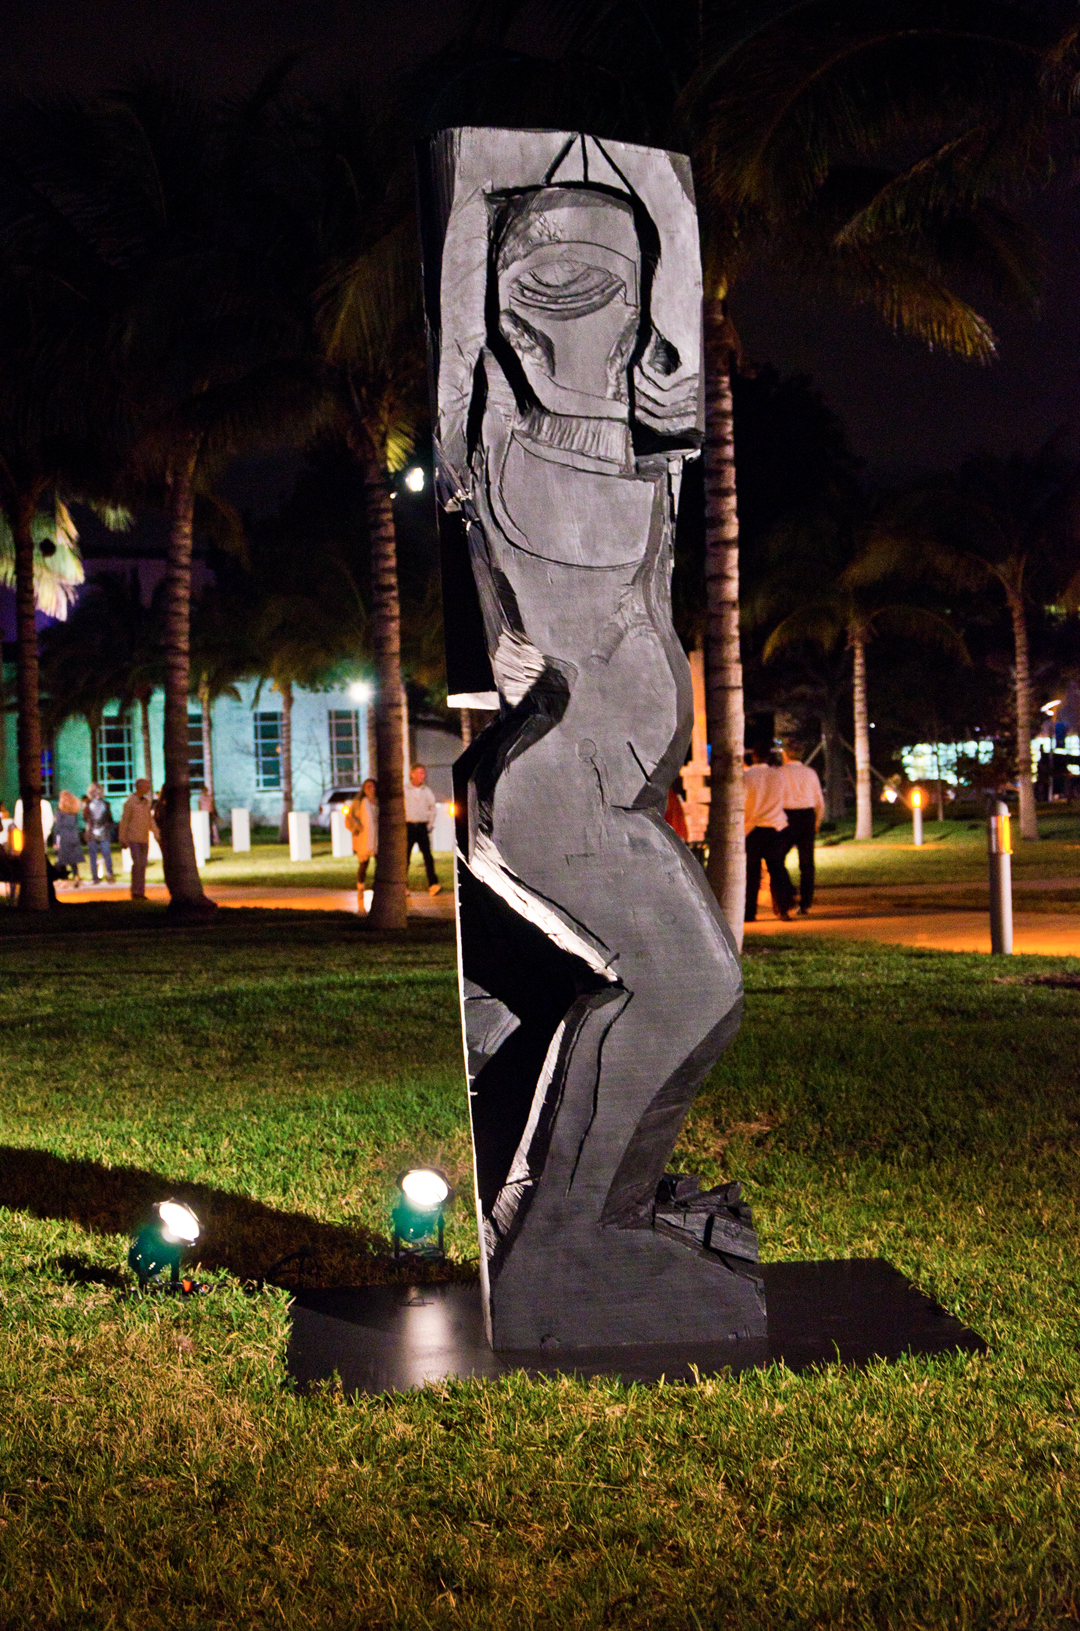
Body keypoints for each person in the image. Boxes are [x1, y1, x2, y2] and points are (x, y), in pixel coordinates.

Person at [744, 744, 794, 922]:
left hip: (752, 828)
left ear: (754, 756)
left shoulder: (746, 776)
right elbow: (787, 799)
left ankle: (749, 912)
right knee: (777, 869)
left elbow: (743, 802)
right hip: (775, 826)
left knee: (751, 872)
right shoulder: (779, 775)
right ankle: (782, 909)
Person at [777, 737, 825, 916]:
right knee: (807, 863)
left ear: (785, 754)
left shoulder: (780, 773)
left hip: (787, 817)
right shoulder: (810, 773)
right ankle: (805, 902)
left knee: (778, 858)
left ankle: (788, 891)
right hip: (807, 816)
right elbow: (819, 800)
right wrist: (817, 820)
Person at [119, 778, 159, 900]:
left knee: (142, 864)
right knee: (138, 863)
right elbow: (125, 820)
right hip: (134, 838)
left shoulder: (146, 802)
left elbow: (149, 820)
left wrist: (157, 834)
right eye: (146, 786)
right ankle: (135, 890)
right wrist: (123, 838)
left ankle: (140, 891)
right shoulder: (130, 803)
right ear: (140, 787)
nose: (148, 788)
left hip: (144, 838)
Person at [404, 764, 441, 896]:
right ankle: (403, 886)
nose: (422, 776)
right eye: (419, 773)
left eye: (423, 773)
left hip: (421, 826)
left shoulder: (426, 791)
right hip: (408, 826)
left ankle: (433, 884)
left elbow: (432, 808)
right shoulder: (405, 790)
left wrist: (429, 824)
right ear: (412, 774)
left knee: (427, 856)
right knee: (405, 857)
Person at [344, 778, 378, 911]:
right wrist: (355, 827)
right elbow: (349, 818)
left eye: (372, 786)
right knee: (363, 864)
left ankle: (378, 886)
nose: (370, 789)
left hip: (376, 838)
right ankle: (360, 887)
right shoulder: (359, 803)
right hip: (364, 837)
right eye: (367, 787)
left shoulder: (379, 803)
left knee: (379, 864)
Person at [83, 783, 115, 883]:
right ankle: (109, 874)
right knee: (106, 854)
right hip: (103, 831)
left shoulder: (87, 804)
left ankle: (95, 877)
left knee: (93, 855)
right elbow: (109, 818)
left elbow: (85, 818)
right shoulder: (106, 804)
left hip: (92, 832)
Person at [52, 790, 84, 885]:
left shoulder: (59, 812)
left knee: (63, 859)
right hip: (73, 837)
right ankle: (76, 876)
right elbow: (76, 824)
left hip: (64, 837)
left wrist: (55, 840)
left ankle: (64, 879)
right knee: (73, 860)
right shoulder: (74, 811)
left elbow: (57, 827)